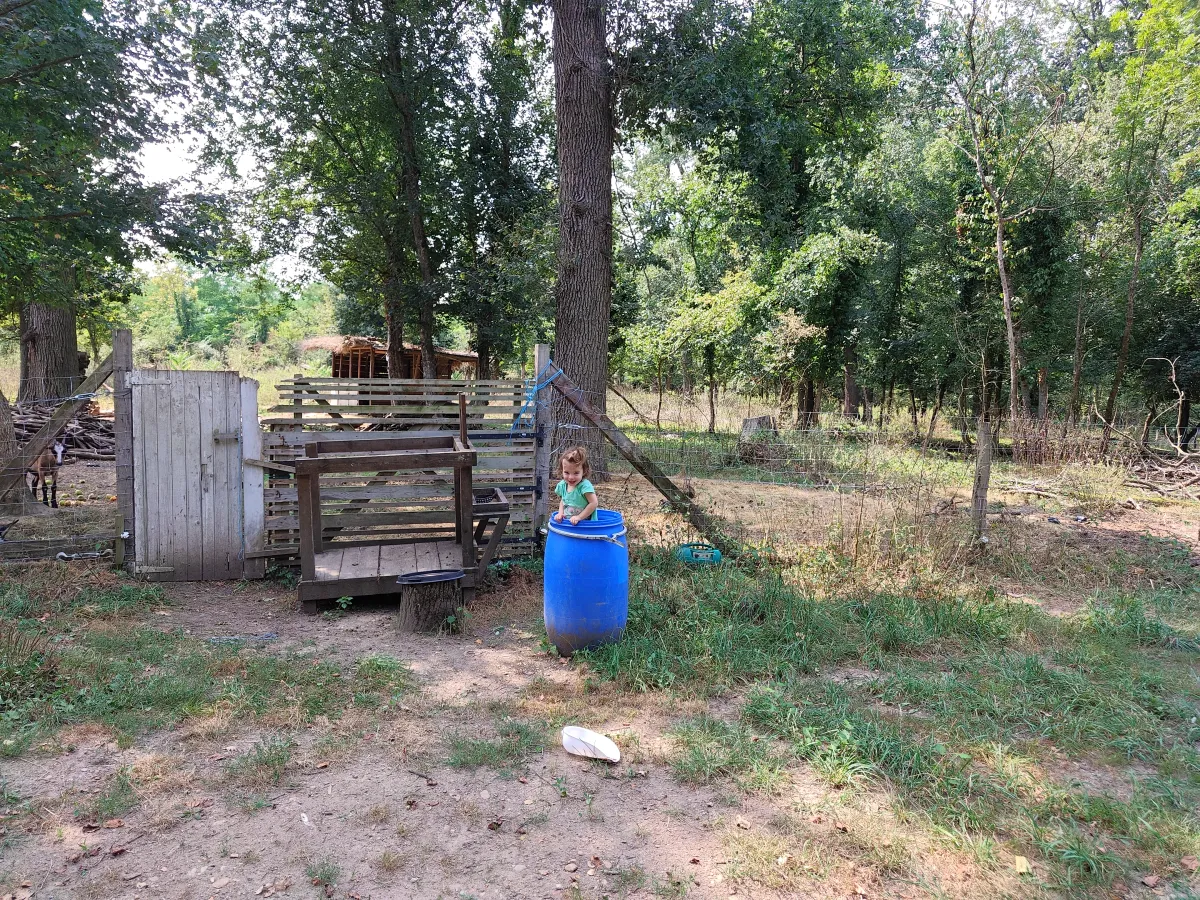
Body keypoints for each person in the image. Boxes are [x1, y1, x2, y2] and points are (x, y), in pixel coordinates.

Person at [553, 446, 599, 524]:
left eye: (576, 473)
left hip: (586, 526)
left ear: (584, 471)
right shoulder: (562, 485)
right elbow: (563, 500)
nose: (571, 477)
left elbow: (594, 503)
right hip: (569, 524)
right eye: (567, 472)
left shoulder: (584, 486)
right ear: (562, 470)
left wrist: (579, 517)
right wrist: (560, 513)